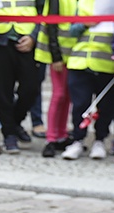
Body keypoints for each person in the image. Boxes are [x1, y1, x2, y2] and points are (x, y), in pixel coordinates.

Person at [0, 0, 40, 154]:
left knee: (31, 88)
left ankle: (14, 123)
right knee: (3, 91)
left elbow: (43, 10)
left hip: (26, 37)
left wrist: (33, 36)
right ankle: (9, 134)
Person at [61, 6, 114, 160]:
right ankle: (77, 140)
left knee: (106, 107)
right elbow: (72, 31)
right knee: (80, 105)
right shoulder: (84, 3)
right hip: (80, 62)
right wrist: (85, 24)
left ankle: (100, 140)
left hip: (106, 65)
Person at [34, 0, 76, 157]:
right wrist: (56, 56)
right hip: (60, 54)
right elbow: (51, 25)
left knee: (68, 95)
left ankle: (61, 134)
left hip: (76, 53)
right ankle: (51, 137)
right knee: (59, 95)